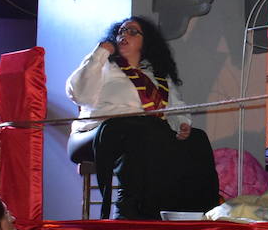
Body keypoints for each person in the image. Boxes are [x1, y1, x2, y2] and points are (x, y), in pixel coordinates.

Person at [66, 15, 219, 219]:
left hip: (143, 132)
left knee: (197, 139)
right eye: (121, 31)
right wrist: (100, 53)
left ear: (145, 42)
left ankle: (195, 211)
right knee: (141, 130)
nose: (124, 35)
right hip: (98, 132)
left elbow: (176, 107)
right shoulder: (105, 67)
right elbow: (78, 93)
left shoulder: (158, 77)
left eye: (132, 31)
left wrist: (183, 124)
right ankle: (128, 211)